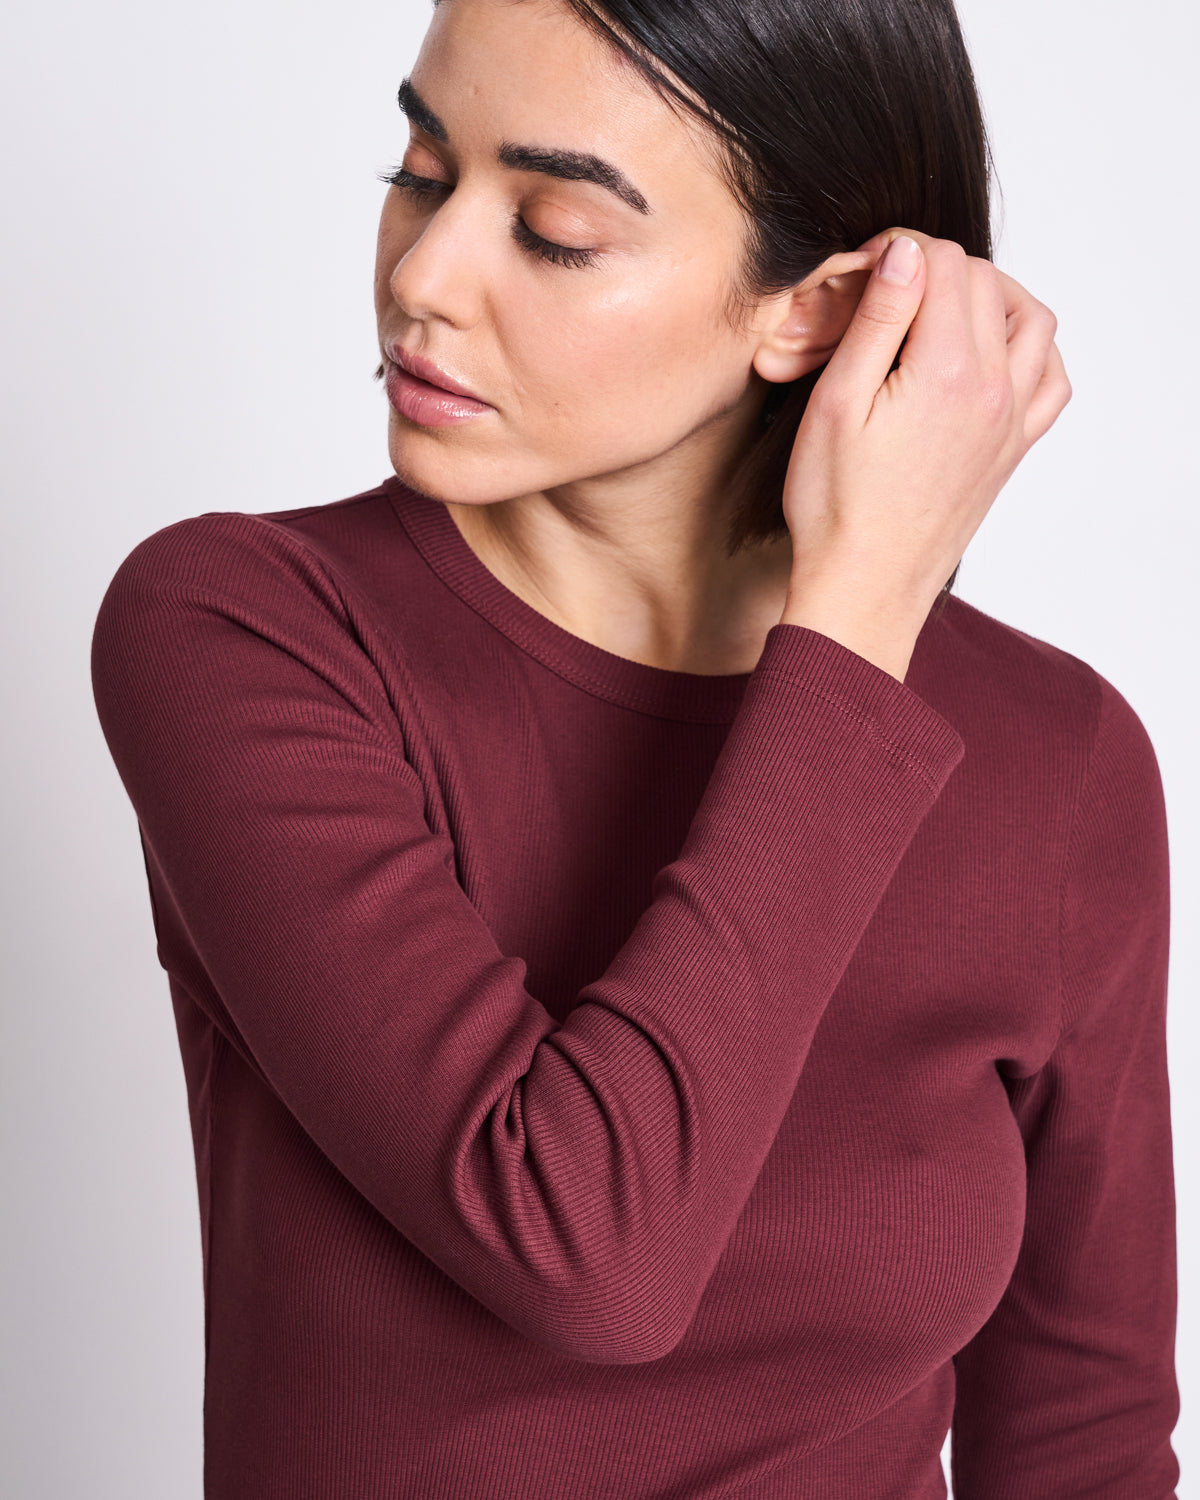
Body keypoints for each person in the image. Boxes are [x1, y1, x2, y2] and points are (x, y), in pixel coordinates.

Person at [89, 0, 1180, 1494]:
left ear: (815, 311)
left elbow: (1082, 1441)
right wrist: (862, 618)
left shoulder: (1057, 761)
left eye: (555, 232)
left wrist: (857, 629)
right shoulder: (250, 630)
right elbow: (586, 1250)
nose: (421, 275)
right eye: (419, 170)